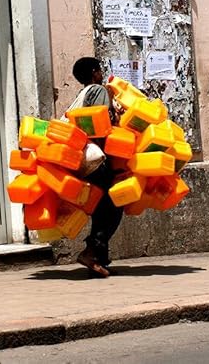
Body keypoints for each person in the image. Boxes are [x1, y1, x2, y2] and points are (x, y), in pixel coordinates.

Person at [70, 57, 123, 278]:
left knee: (101, 206)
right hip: (95, 159)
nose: (102, 73)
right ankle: (92, 250)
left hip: (79, 160)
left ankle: (99, 257)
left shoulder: (80, 96)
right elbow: (99, 126)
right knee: (115, 203)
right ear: (94, 72)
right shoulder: (98, 90)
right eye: (100, 70)